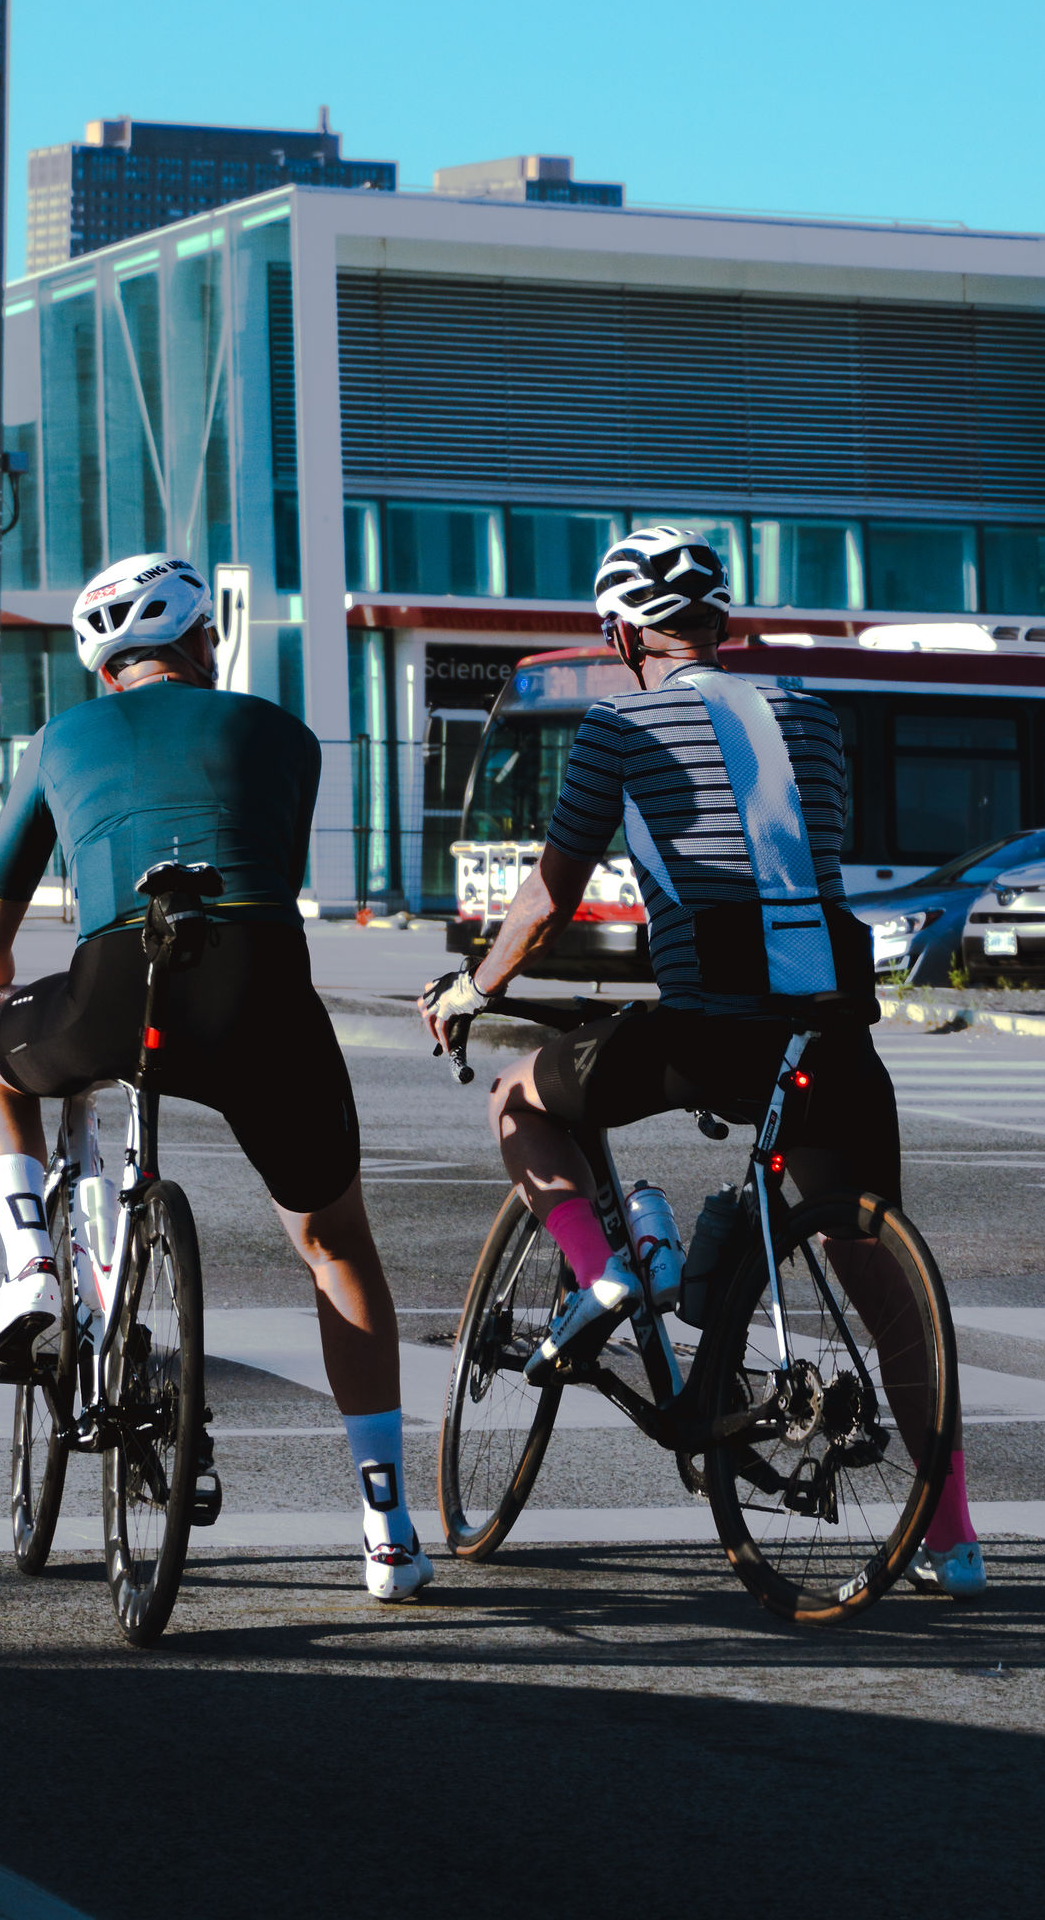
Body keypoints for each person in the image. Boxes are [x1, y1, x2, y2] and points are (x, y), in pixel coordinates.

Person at [419, 523, 986, 1595]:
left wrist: (472, 989)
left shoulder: (614, 729)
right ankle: (953, 1537)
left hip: (710, 1034)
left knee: (518, 1101)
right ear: (722, 625)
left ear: (622, 633)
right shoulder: (816, 722)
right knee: (880, 1279)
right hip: (831, 1034)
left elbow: (549, 896)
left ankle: (606, 1274)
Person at [0, 549, 433, 1603]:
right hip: (259, 984)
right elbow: (263, 854)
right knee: (332, 1242)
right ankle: (388, 1523)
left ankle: (34, 1262)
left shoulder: (63, 739)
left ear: (102, 664)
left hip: (116, 983)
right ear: (201, 642)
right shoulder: (281, 732)